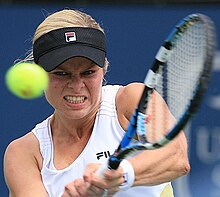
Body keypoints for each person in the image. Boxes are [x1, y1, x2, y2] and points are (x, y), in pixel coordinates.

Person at [4, 9, 190, 197]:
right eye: (61, 73)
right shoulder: (24, 153)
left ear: (104, 68)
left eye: (88, 72)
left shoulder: (130, 102)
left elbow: (177, 156)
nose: (76, 86)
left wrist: (121, 174)